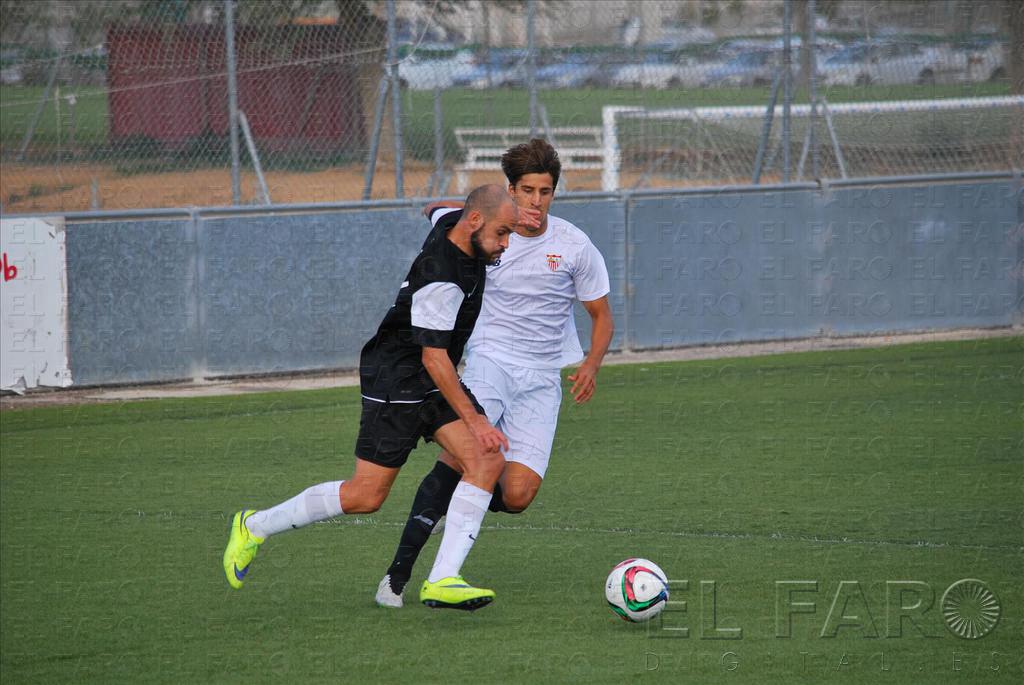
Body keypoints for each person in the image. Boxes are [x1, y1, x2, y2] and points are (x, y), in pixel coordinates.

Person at [223, 184, 534, 611]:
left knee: (486, 460)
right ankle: (254, 525)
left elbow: (439, 206)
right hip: (396, 382)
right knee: (365, 497)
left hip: (428, 378)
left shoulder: (454, 221)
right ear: (475, 222)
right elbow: (435, 357)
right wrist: (478, 422)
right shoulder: (440, 278)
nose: (505, 245)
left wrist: (513, 214)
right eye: (502, 233)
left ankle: (443, 578)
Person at [375, 139, 614, 608]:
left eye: (545, 192)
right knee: (468, 458)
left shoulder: (573, 245)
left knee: (520, 493)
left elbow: (602, 315)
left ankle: (462, 500)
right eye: (526, 190)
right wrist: (442, 211)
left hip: (542, 377)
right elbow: (445, 212)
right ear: (511, 190)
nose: (535, 202)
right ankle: (400, 577)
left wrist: (591, 364)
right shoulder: (489, 232)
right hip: (489, 361)